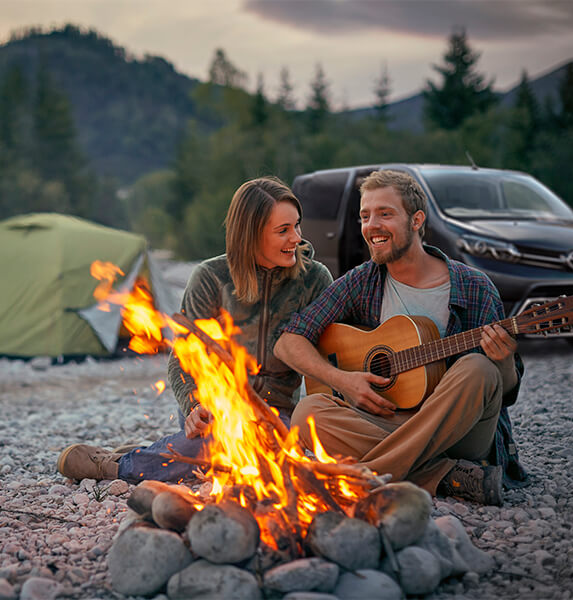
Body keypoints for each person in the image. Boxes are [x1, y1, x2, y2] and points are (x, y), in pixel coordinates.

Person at [274, 169, 527, 506]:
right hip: (388, 420)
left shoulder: (474, 287)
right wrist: (343, 381)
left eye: (385, 214)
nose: (371, 226)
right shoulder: (363, 281)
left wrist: (504, 359)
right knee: (309, 411)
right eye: (365, 216)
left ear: (417, 220)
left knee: (477, 369)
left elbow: (504, 393)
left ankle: (362, 478)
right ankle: (445, 476)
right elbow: (288, 341)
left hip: (459, 431)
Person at [57, 177, 333, 482]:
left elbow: (331, 352)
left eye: (297, 226)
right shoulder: (210, 278)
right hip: (214, 409)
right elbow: (182, 358)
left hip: (278, 414)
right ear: (250, 235)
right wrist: (194, 405)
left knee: (267, 456)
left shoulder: (314, 279)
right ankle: (114, 467)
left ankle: (146, 456)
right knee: (222, 442)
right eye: (283, 230)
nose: (296, 238)